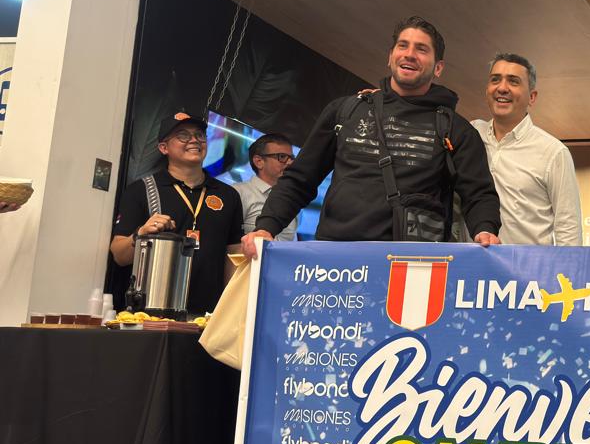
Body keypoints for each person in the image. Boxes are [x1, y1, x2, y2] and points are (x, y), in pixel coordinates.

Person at [241, 16, 500, 256]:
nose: (410, 54)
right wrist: (266, 227)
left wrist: (485, 229)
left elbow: (478, 193)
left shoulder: (456, 129)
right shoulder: (346, 110)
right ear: (390, 56)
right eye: (403, 45)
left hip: (411, 263)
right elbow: (300, 179)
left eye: (422, 49)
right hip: (335, 258)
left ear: (438, 67)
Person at [110, 111, 243, 315]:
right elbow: (119, 255)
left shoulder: (228, 195)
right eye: (183, 135)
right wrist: (140, 234)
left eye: (199, 135)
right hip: (152, 313)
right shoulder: (142, 190)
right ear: (164, 147)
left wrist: (231, 307)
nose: (194, 140)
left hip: (209, 316)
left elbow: (233, 255)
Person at [472, 53, 581, 246]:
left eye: (513, 81)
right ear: (487, 89)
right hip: (473, 264)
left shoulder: (553, 152)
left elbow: (569, 231)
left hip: (528, 265)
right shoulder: (471, 135)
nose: (502, 88)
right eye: (495, 79)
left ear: (532, 97)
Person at [233, 133, 299, 241]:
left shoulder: (293, 198)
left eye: (292, 158)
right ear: (259, 161)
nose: (290, 162)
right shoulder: (237, 193)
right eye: (282, 157)